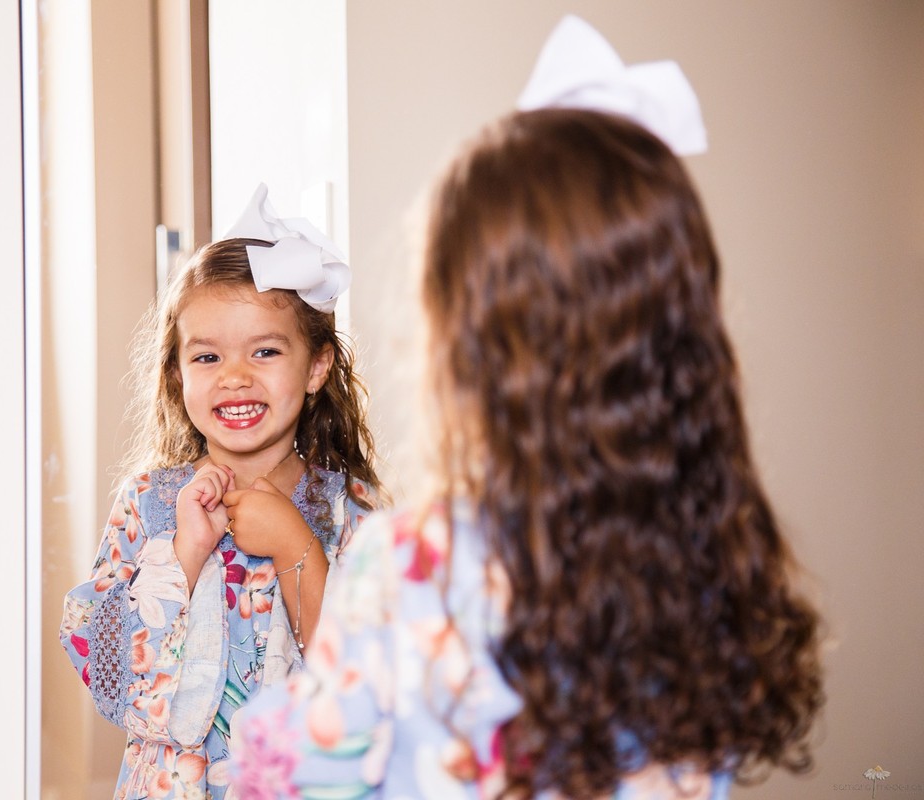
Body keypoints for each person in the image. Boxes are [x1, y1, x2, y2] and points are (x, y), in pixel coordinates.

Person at [227, 18, 823, 800]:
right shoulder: (711, 570)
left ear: (463, 350)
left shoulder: (415, 567)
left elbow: (294, 780)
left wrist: (261, 738)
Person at [58, 184, 383, 799]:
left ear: (315, 367)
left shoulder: (351, 512)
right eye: (207, 357)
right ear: (178, 375)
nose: (235, 376)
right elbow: (107, 673)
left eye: (264, 351)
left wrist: (294, 542)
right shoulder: (149, 504)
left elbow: (365, 683)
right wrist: (182, 553)